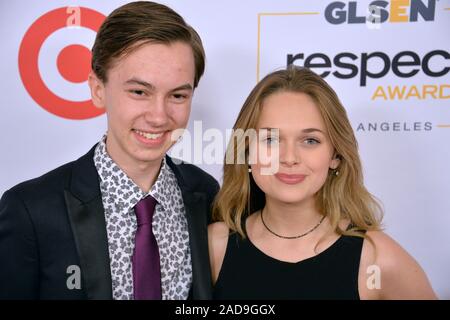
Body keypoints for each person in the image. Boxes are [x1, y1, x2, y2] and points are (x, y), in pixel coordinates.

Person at [0, 1, 218, 300]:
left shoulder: (205, 193)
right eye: (139, 92)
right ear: (97, 89)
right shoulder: (30, 210)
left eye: (178, 95)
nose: (158, 116)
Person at [208, 66, 437, 299]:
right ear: (247, 152)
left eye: (310, 140)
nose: (289, 158)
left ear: (335, 156)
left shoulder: (377, 259)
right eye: (271, 139)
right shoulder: (212, 248)